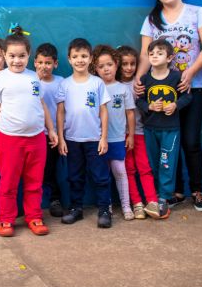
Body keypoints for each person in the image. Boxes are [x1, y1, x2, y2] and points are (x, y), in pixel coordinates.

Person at [136, 0, 202, 212]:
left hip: (191, 88)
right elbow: (145, 54)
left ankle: (197, 190)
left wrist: (190, 73)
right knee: (169, 143)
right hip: (161, 92)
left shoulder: (197, 13)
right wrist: (138, 79)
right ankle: (176, 191)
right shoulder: (152, 20)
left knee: (190, 141)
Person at [0, 30, 57, 237]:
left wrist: (51, 129)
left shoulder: (34, 77)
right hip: (9, 139)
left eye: (21, 56)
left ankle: (34, 217)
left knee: (34, 181)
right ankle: (6, 219)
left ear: (29, 56)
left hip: (37, 138)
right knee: (8, 182)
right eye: (12, 56)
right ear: (4, 55)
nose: (17, 60)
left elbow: (42, 104)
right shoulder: (0, 78)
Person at [57, 39, 112, 228]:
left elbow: (104, 111)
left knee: (101, 176)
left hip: (94, 139)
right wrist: (61, 138)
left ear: (90, 59)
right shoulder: (64, 84)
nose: (79, 60)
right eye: (75, 56)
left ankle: (104, 210)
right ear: (69, 59)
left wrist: (104, 138)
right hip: (72, 139)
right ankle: (76, 208)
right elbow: (60, 112)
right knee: (75, 176)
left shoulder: (97, 83)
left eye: (83, 56)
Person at [136, 39, 192, 220]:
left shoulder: (176, 77)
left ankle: (164, 197)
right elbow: (139, 100)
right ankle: (153, 195)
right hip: (150, 129)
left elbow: (187, 97)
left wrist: (175, 105)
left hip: (170, 129)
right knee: (152, 163)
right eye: (151, 53)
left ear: (169, 58)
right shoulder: (145, 79)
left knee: (166, 163)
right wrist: (150, 106)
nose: (154, 56)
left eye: (159, 53)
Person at [91, 45, 135, 221]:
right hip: (98, 139)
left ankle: (126, 205)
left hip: (117, 139)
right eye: (101, 66)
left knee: (120, 172)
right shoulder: (94, 87)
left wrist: (130, 135)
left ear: (116, 64)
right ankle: (106, 206)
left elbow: (130, 113)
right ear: (95, 69)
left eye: (109, 64)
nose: (106, 69)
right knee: (102, 175)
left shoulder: (123, 89)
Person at [116, 46, 160, 220]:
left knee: (144, 167)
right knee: (128, 169)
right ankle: (136, 203)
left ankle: (152, 201)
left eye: (132, 64)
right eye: (124, 64)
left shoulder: (140, 83)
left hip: (140, 132)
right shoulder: (113, 84)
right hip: (120, 135)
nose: (129, 68)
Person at [33, 42, 64, 217]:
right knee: (34, 170)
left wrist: (59, 134)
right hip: (35, 133)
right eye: (40, 62)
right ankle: (31, 203)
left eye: (48, 63)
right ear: (34, 63)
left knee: (50, 169)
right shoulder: (30, 80)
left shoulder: (61, 82)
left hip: (54, 135)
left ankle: (55, 199)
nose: (44, 66)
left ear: (55, 64)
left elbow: (63, 110)